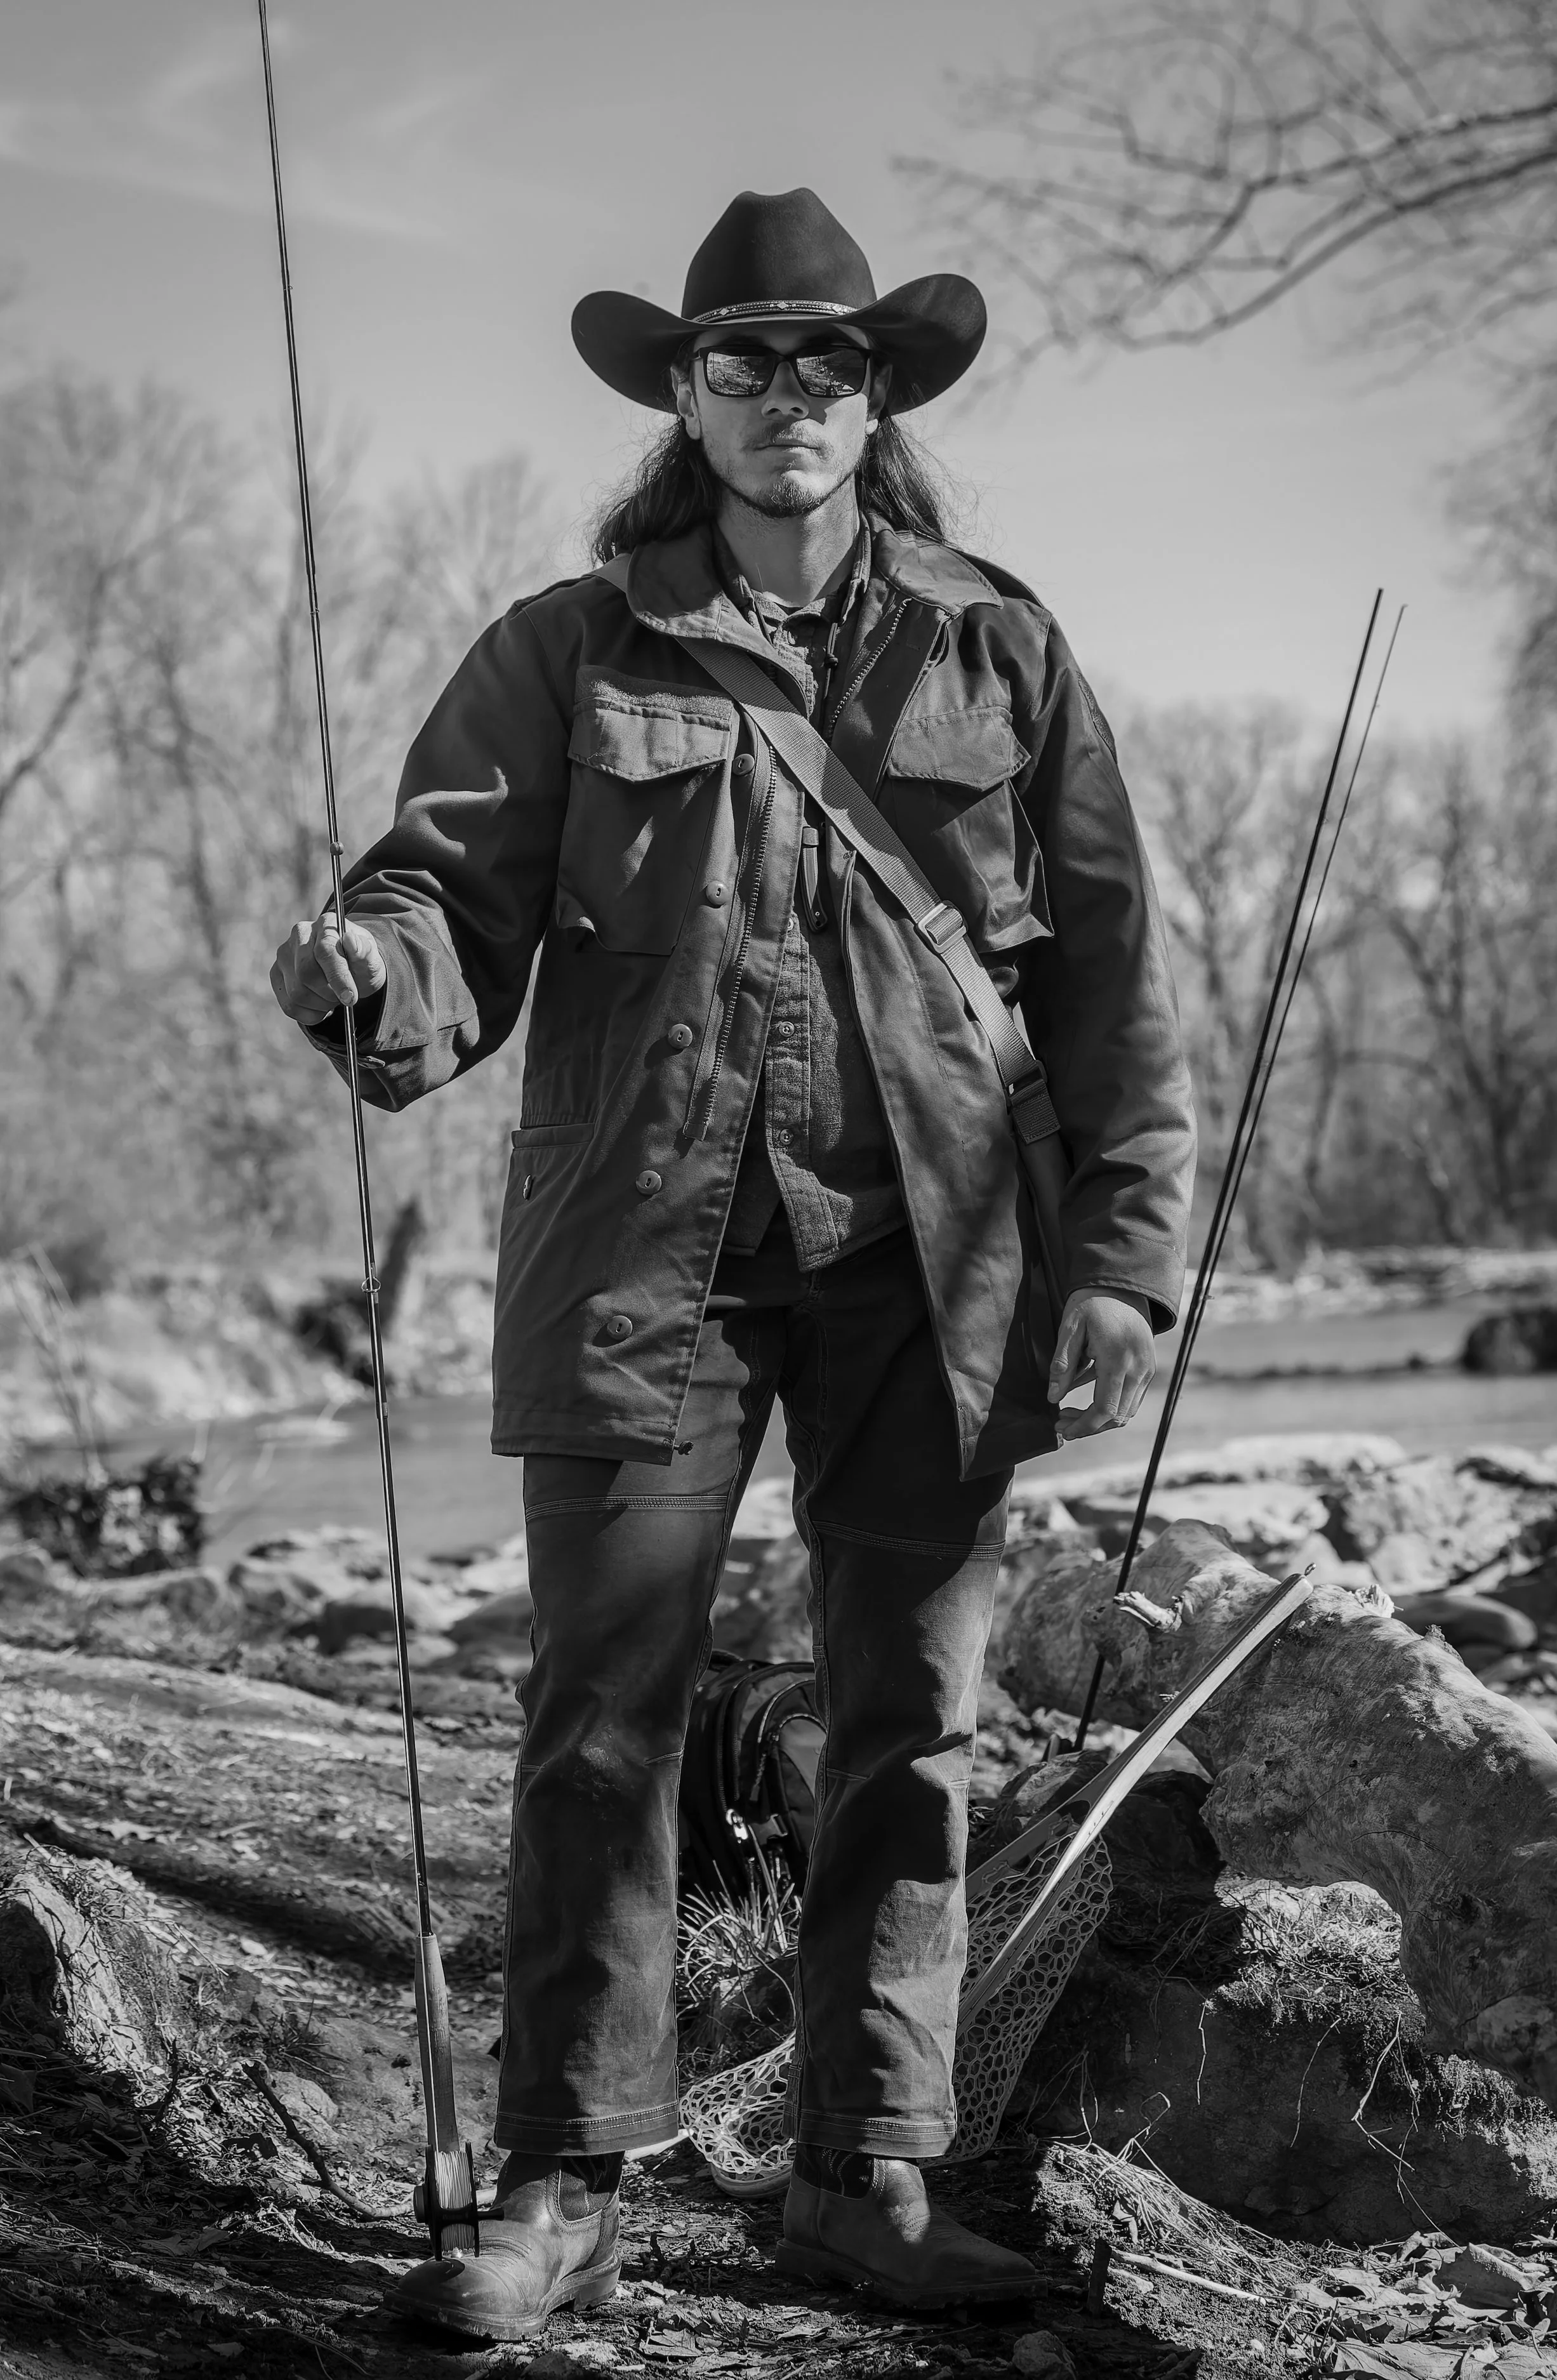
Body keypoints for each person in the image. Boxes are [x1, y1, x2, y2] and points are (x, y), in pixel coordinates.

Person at [271, 187, 1195, 2342]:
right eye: (745, 361)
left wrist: (1120, 1264)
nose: (791, 398)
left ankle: (865, 2174)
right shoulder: (558, 647)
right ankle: (557, 2183)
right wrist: (366, 970)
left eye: (830, 363)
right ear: (683, 399)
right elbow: (440, 900)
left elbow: (1115, 978)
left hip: (937, 1268)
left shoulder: (999, 647)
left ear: (880, 401)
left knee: (912, 1725)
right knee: (601, 1720)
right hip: (643, 1259)